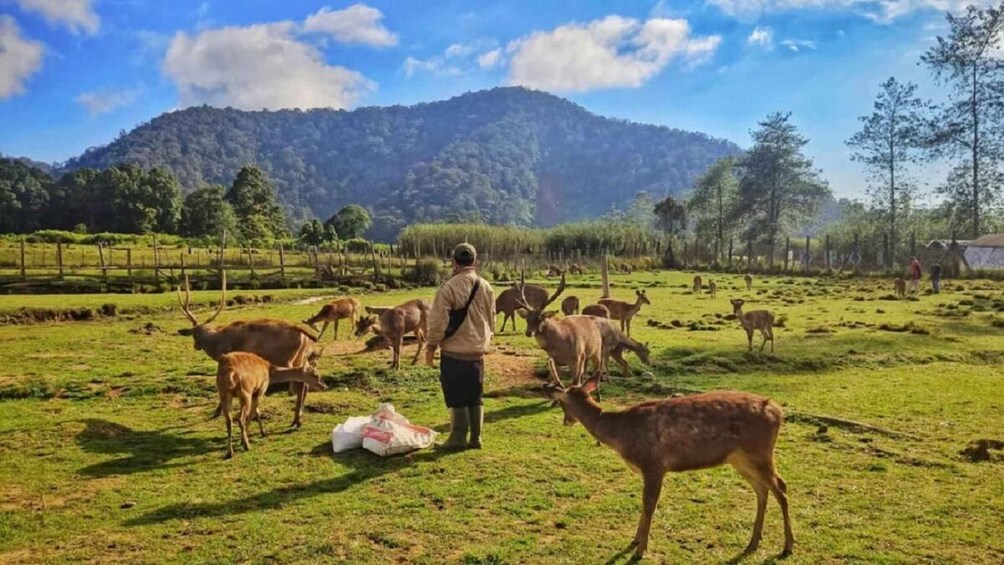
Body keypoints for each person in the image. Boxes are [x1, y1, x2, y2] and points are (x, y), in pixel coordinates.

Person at [426, 243, 495, 450]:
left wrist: (430, 347)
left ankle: (457, 438)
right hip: (477, 351)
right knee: (475, 395)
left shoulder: (448, 288)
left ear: (453, 262)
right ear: (475, 262)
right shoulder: (486, 286)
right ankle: (476, 438)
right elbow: (492, 318)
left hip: (455, 353)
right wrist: (486, 340)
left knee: (456, 396)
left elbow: (438, 322)